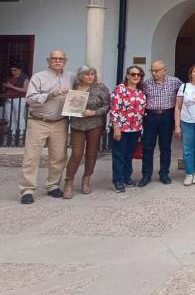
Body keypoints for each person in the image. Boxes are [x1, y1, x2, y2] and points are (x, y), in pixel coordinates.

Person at [19, 50, 75, 204]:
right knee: (31, 157)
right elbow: (30, 99)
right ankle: (27, 190)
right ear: (48, 60)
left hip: (60, 122)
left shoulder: (70, 77)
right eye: (54, 58)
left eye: (60, 59)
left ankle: (53, 186)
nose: (57, 61)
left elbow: (82, 87)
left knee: (58, 157)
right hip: (39, 121)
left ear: (65, 61)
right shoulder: (38, 77)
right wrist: (51, 94)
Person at [62, 65, 110, 199]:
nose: (90, 77)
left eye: (92, 74)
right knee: (76, 154)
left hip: (95, 124)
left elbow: (107, 106)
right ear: (80, 76)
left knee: (91, 153)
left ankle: (86, 179)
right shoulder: (74, 86)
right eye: (87, 74)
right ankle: (69, 182)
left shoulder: (100, 87)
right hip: (77, 124)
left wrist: (93, 112)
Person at [139, 60, 181, 187]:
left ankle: (164, 174)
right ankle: (146, 175)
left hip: (167, 116)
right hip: (150, 116)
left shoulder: (175, 82)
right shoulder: (146, 84)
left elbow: (187, 90)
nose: (153, 73)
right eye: (152, 70)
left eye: (156, 70)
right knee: (147, 146)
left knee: (165, 147)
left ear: (164, 70)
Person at [110, 65, 146, 193]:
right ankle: (118, 181)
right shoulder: (120, 89)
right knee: (119, 155)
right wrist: (116, 127)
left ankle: (126, 177)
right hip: (121, 128)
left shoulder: (140, 92)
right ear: (127, 76)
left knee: (129, 154)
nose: (136, 76)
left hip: (135, 129)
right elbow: (114, 109)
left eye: (138, 74)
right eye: (133, 74)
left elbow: (141, 111)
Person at [2, 63, 29, 134]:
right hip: (9, 98)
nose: (13, 72)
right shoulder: (10, 77)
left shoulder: (24, 78)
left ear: (20, 70)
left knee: (18, 116)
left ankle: (21, 134)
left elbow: (25, 90)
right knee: (9, 116)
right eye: (12, 70)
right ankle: (12, 133)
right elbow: (7, 87)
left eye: (15, 70)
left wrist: (12, 87)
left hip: (19, 98)